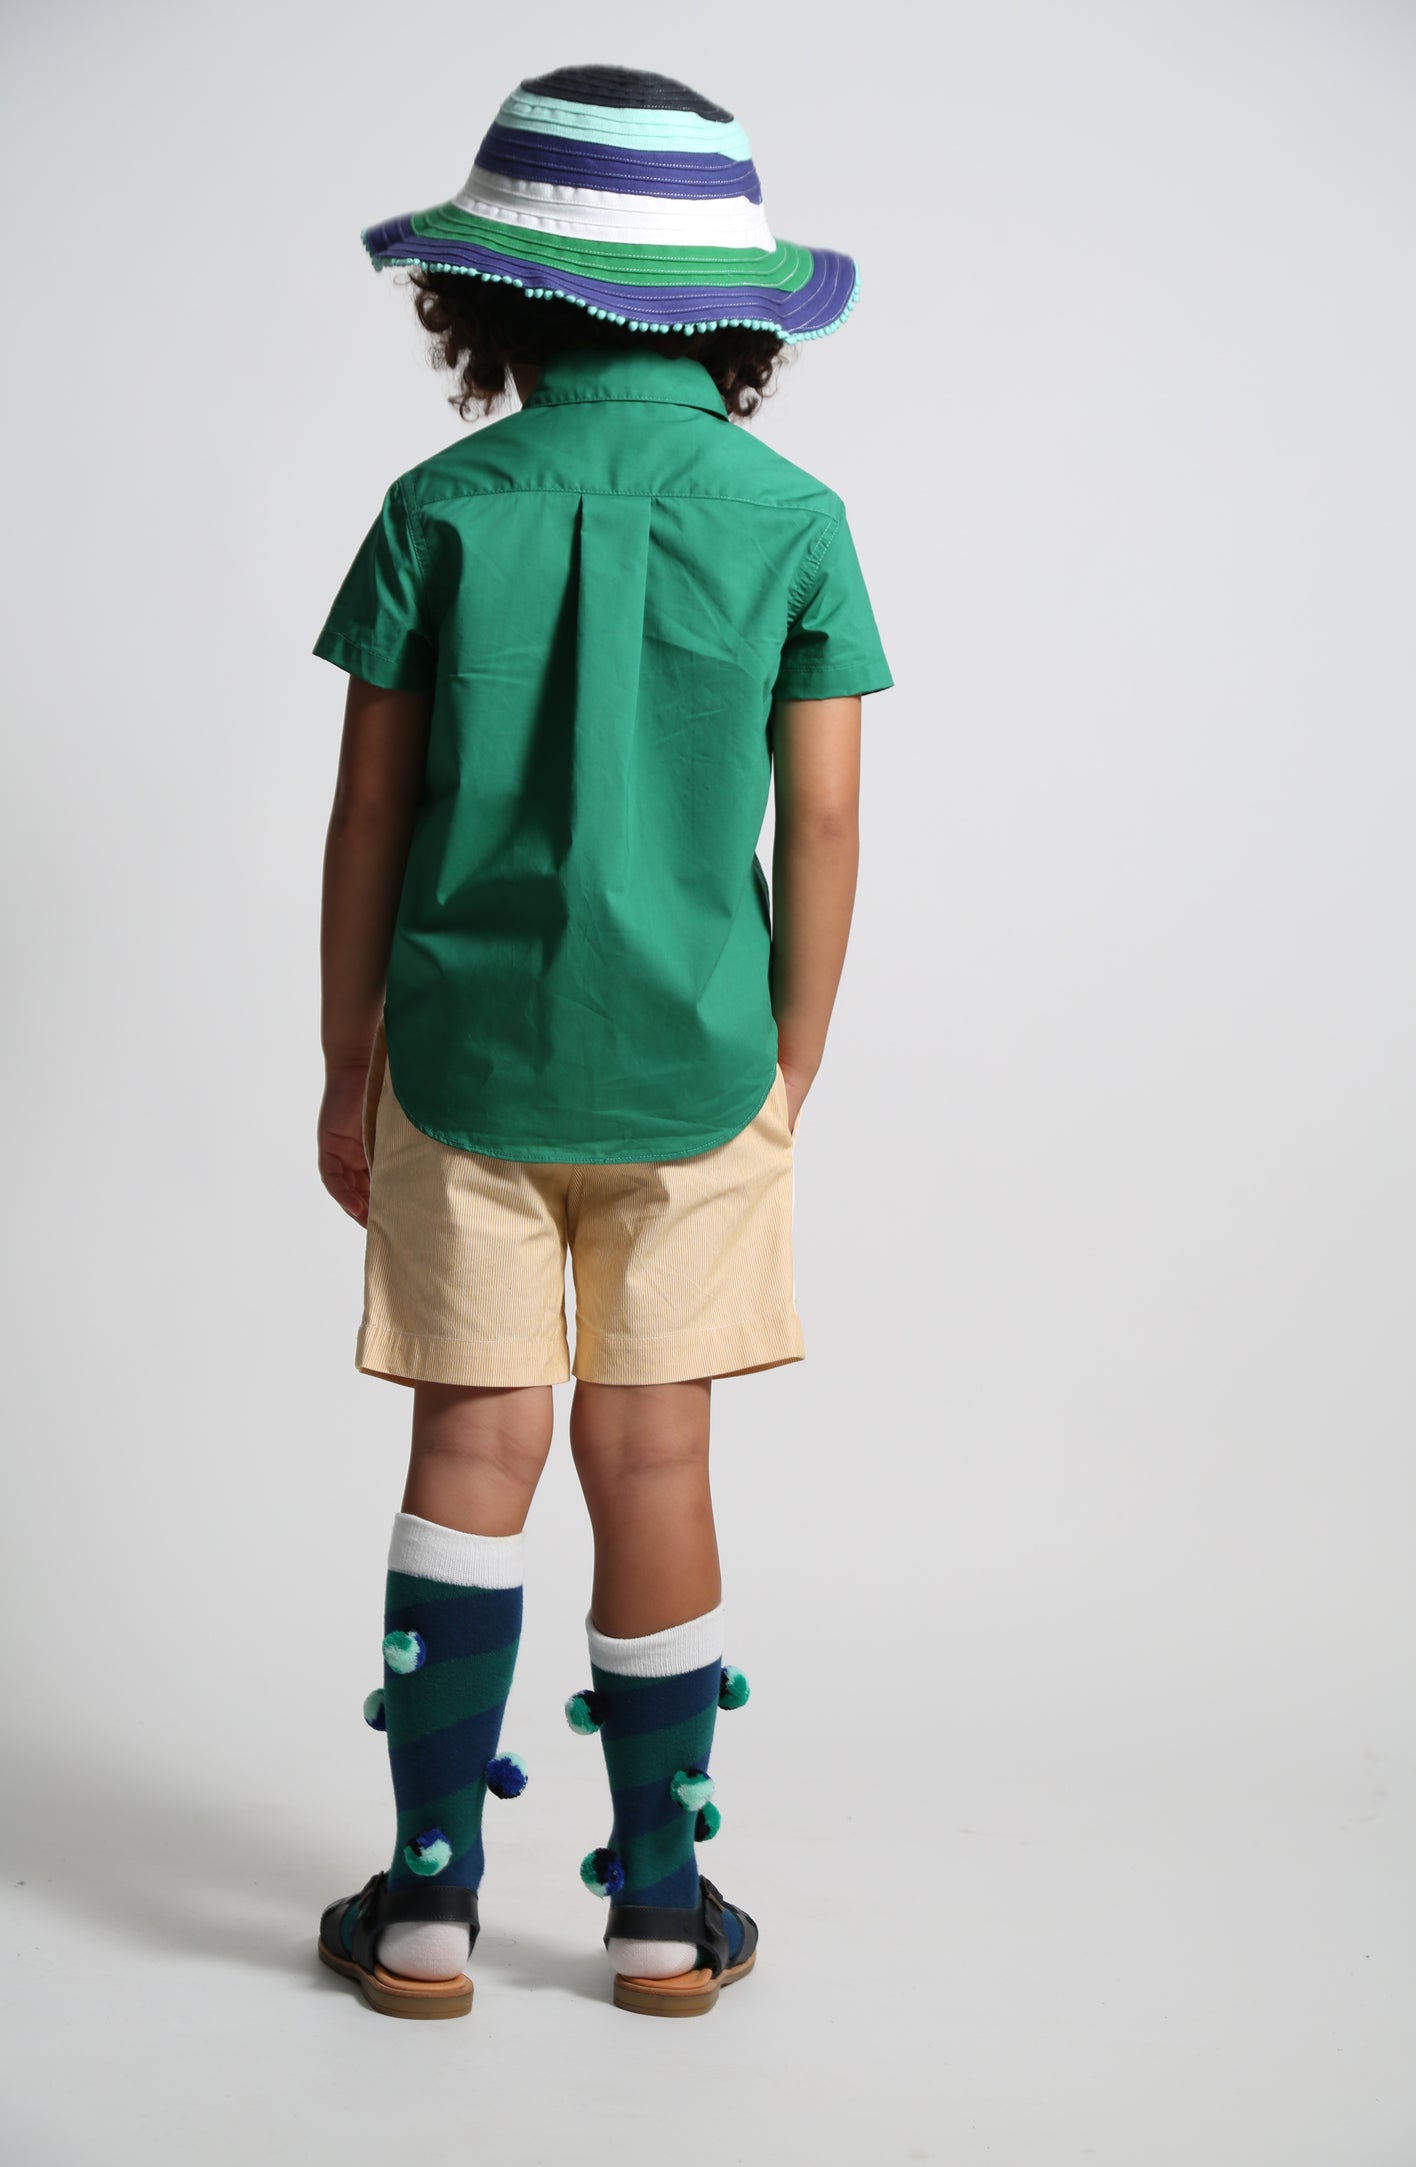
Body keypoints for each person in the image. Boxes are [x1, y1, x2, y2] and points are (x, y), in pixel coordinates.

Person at [310, 62, 893, 2021]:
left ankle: (424, 1909)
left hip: (460, 1058)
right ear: (736, 313)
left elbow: (368, 813)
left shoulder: (436, 509)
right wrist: (789, 1060)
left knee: (470, 1441)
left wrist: (347, 1057)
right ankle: (657, 1910)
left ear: (482, 297)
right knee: (654, 1449)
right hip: (701, 1068)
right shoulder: (792, 519)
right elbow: (825, 820)